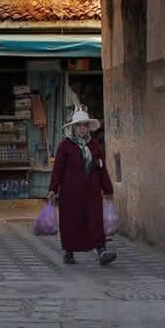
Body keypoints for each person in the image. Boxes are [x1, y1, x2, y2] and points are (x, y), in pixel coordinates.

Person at [47, 107, 116, 265]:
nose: (82, 128)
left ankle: (102, 252)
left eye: (85, 125)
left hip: (92, 192)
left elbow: (101, 169)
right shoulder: (65, 146)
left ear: (88, 127)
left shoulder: (94, 146)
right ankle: (69, 252)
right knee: (71, 222)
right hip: (70, 193)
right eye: (79, 125)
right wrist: (53, 189)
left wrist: (108, 189)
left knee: (95, 220)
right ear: (74, 128)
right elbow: (58, 170)